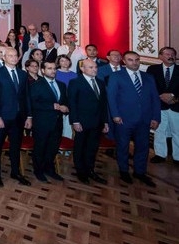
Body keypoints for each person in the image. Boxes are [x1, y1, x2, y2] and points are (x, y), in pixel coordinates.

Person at [107, 51, 161, 186]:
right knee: (123, 146)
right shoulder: (116, 76)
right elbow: (111, 98)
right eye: (130, 60)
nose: (134, 62)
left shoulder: (148, 77)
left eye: (137, 59)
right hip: (124, 119)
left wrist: (156, 117)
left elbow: (155, 98)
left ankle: (140, 172)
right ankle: (124, 171)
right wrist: (115, 115)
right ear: (124, 61)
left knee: (143, 147)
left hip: (144, 118)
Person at [0, 49, 32, 187]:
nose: (13, 58)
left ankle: (15, 172)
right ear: (4, 57)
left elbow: (27, 96)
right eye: (10, 56)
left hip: (19, 117)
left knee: (15, 146)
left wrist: (29, 116)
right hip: (3, 117)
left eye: (15, 56)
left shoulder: (23, 74)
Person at [67, 59, 109, 184]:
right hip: (82, 122)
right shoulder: (75, 82)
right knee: (80, 147)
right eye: (91, 67)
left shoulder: (100, 82)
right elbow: (72, 103)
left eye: (95, 67)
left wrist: (105, 121)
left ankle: (90, 169)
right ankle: (81, 171)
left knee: (92, 147)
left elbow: (103, 104)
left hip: (97, 122)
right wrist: (75, 121)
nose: (94, 69)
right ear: (82, 69)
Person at [29, 61, 68, 182]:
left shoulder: (61, 85)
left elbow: (65, 101)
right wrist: (51, 106)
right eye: (49, 68)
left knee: (53, 148)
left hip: (57, 122)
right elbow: (33, 104)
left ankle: (49, 169)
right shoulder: (36, 85)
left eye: (54, 68)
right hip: (42, 122)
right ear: (43, 70)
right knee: (40, 147)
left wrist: (66, 107)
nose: (53, 71)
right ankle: (38, 171)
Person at [147, 46, 178, 164]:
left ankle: (178, 157)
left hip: (176, 106)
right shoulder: (152, 69)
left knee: (177, 132)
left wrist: (174, 96)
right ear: (160, 56)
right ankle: (160, 154)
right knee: (160, 131)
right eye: (167, 54)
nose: (171, 56)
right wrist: (161, 96)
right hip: (159, 105)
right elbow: (149, 86)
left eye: (173, 54)